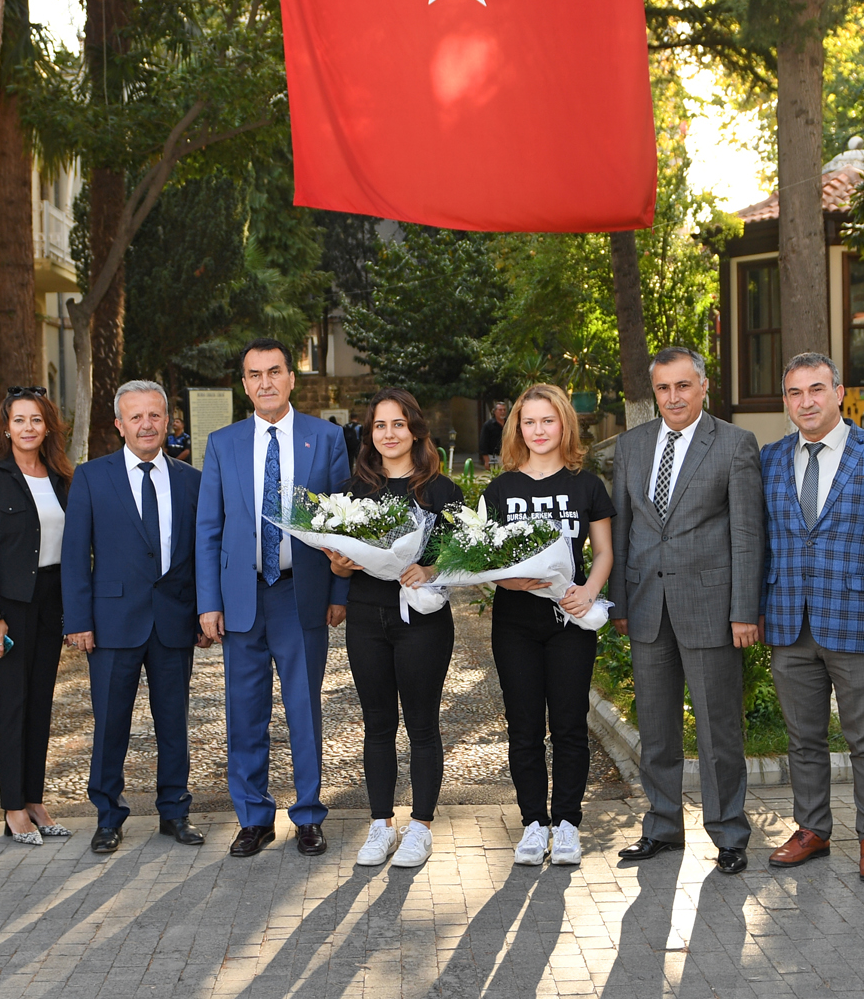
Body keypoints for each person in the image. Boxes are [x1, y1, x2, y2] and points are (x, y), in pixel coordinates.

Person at [758, 352, 864, 883]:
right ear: (786, 401)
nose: (806, 402)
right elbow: (759, 540)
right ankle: (812, 830)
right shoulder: (770, 459)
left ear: (838, 392)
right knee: (802, 737)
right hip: (789, 620)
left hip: (858, 619)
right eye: (795, 392)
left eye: (816, 389)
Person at [610, 347, 765, 873]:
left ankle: (729, 834)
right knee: (655, 729)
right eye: (663, 388)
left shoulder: (735, 444)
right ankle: (662, 827)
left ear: (703, 386)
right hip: (646, 607)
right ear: (654, 392)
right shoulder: (631, 446)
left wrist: (744, 610)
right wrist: (621, 601)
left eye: (683, 385)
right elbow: (623, 529)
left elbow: (747, 534)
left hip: (711, 609)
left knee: (718, 731)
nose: (673, 397)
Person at [196, 338, 351, 858]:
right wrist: (208, 602)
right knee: (244, 712)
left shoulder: (325, 439)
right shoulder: (223, 443)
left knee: (304, 709)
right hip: (241, 597)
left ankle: (308, 816)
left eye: (274, 371)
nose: (265, 382)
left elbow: (342, 525)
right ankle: (254, 818)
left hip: (300, 593)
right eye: (255, 374)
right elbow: (208, 528)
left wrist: (339, 591)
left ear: (291, 378)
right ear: (245, 385)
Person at [63, 380, 207, 855]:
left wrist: (203, 612)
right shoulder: (91, 477)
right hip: (111, 622)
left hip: (173, 620)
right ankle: (108, 816)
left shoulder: (191, 480)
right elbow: (74, 554)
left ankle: (175, 811)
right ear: (119, 425)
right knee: (110, 725)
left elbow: (201, 553)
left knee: (173, 723)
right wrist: (78, 620)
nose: (147, 424)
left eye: (155, 415)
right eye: (136, 416)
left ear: (168, 421)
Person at [324, 389, 465, 870]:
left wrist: (429, 568)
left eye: (398, 424)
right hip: (367, 619)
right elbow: (338, 566)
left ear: (415, 430)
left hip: (422, 623)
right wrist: (340, 566)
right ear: (370, 434)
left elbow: (459, 559)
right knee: (377, 724)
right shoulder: (351, 493)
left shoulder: (442, 492)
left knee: (422, 724)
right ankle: (381, 824)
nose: (389, 434)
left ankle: (420, 828)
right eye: (380, 425)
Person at [486, 383, 614, 868]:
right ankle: (533, 824)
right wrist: (507, 580)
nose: (538, 430)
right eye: (529, 422)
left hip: (570, 621)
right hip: (515, 623)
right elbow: (482, 559)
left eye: (548, 420)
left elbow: (603, 552)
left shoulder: (586, 485)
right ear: (517, 428)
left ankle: (566, 825)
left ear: (564, 424)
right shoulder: (500, 490)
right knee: (523, 726)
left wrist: (590, 591)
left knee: (569, 724)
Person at [0, 387, 77, 845]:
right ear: (6, 428)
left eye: (36, 420)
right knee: (12, 704)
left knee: (40, 704)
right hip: (8, 607)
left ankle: (35, 800)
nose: (28, 427)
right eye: (19, 420)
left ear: (47, 427)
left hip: (52, 601)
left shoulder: (62, 478)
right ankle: (13, 807)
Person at [478, 400, 508, 467]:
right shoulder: (488, 425)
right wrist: (486, 460)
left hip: (508, 456)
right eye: (500, 410)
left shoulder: (509, 424)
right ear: (495, 412)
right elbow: (483, 443)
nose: (502, 412)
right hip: (494, 457)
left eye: (504, 410)